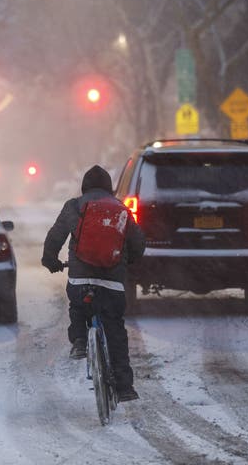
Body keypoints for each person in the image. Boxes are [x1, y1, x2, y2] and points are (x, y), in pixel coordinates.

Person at [42, 165, 145, 402]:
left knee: (78, 306)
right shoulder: (121, 209)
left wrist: (51, 261)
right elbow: (138, 242)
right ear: (109, 187)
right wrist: (129, 261)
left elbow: (55, 236)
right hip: (112, 283)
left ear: (84, 187)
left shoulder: (74, 206)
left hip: (80, 279)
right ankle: (124, 387)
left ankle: (79, 340)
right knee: (116, 330)